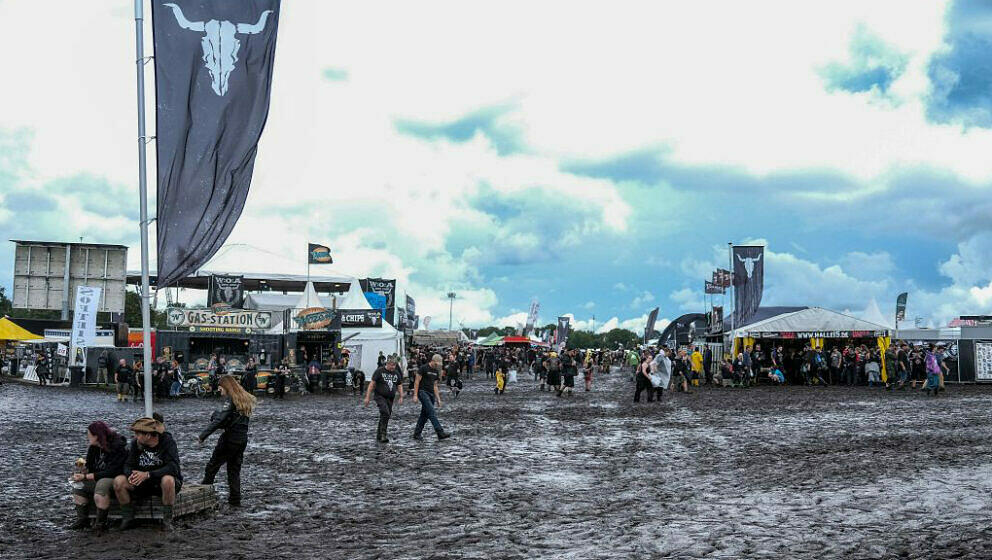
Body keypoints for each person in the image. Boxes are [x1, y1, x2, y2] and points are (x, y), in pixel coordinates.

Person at [114, 417, 182, 532]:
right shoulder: (136, 443)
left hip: (160, 482)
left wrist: (148, 474)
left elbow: (173, 467)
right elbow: (127, 464)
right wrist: (131, 474)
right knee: (118, 481)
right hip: (142, 482)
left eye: (138, 433)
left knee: (168, 480)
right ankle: (128, 518)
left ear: (148, 435)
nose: (135, 436)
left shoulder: (167, 442)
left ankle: (167, 520)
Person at [198, 375, 256, 506]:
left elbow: (221, 420)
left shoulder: (230, 400)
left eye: (220, 388)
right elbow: (232, 420)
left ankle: (203, 497)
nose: (220, 391)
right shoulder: (243, 399)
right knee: (234, 471)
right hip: (242, 440)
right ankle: (235, 501)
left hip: (229, 440)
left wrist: (203, 435)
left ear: (225, 386)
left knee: (212, 467)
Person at [70, 421, 128, 532]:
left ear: (97, 436)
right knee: (78, 485)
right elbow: (90, 467)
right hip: (98, 476)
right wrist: (83, 471)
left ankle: (101, 522)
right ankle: (83, 519)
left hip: (115, 478)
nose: (88, 438)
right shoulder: (94, 448)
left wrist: (89, 476)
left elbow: (114, 470)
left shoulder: (117, 447)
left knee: (101, 485)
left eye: (89, 435)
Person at [364, 358, 404, 443]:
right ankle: (383, 435)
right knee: (385, 412)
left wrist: (401, 396)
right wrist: (367, 397)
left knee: (386, 415)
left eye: (395, 366)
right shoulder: (380, 371)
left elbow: (399, 385)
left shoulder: (396, 373)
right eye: (392, 365)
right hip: (380, 396)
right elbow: (372, 384)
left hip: (390, 398)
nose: (393, 367)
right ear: (388, 364)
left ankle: (379, 435)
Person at [412, 354, 451, 441]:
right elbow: (417, 381)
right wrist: (415, 395)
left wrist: (438, 399)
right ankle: (440, 432)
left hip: (431, 394)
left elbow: (435, 386)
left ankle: (417, 433)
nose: (438, 365)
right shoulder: (423, 368)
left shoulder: (436, 372)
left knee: (424, 415)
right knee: (431, 411)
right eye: (437, 363)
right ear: (433, 361)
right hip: (422, 392)